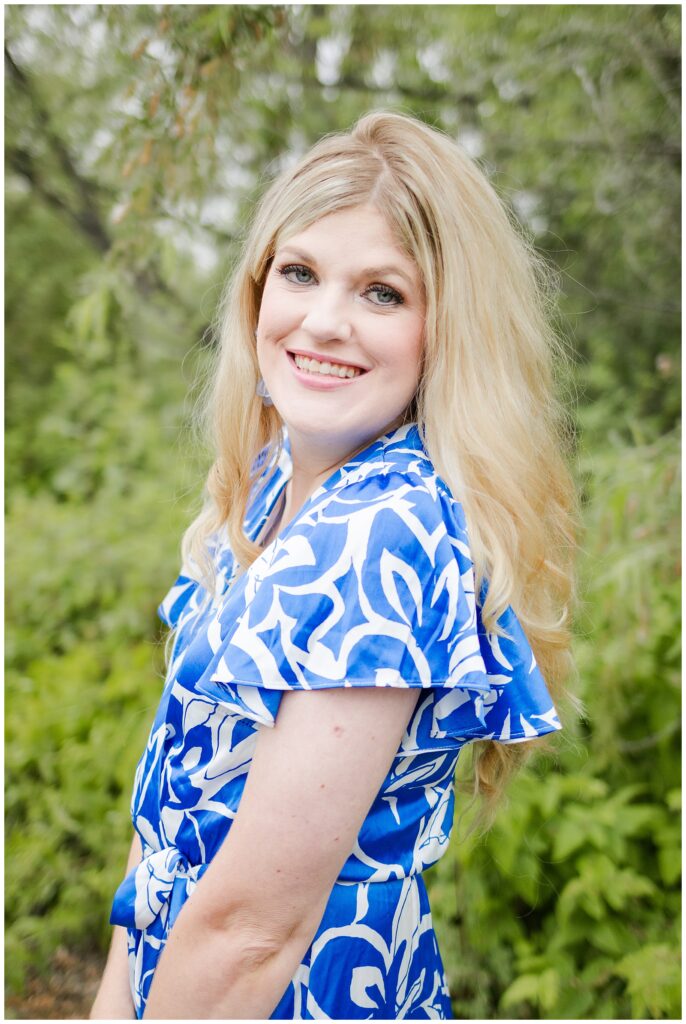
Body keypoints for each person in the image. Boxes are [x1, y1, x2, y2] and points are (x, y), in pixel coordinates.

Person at [91, 110, 578, 1021]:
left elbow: (249, 935)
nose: (324, 321)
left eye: (383, 293)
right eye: (301, 272)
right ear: (256, 288)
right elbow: (168, 817)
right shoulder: (274, 478)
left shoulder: (383, 535)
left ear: (449, 328)